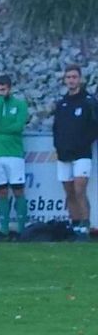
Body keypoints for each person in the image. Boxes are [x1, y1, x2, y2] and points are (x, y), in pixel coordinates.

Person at [53, 64, 98, 239]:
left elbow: (94, 127)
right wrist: (58, 146)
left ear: (80, 79)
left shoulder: (88, 101)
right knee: (69, 191)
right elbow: (56, 128)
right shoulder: (62, 103)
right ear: (65, 80)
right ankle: (75, 225)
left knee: (80, 189)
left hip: (82, 154)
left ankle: (85, 226)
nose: (71, 80)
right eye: (68, 77)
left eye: (74, 77)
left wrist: (83, 143)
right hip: (64, 155)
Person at [0, 74, 29, 238]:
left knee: (18, 191)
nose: (0, 93)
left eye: (3, 90)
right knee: (1, 192)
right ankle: (4, 229)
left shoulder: (20, 104)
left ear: (10, 89)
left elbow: (18, 126)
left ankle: (23, 229)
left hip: (14, 154)